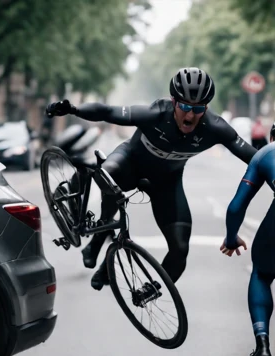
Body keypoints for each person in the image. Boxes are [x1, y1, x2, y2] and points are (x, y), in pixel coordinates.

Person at [46, 67, 257, 290]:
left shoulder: (215, 128)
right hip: (129, 164)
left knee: (180, 248)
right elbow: (107, 111)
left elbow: (256, 158)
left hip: (166, 182)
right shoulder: (156, 113)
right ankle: (98, 237)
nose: (190, 115)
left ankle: (150, 289)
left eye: (198, 108)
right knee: (108, 174)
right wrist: (74, 109)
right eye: (184, 106)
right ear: (173, 101)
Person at [220, 122, 275, 356]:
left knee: (262, 274)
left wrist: (231, 238)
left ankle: (262, 344)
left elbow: (235, 208)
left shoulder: (266, 153)